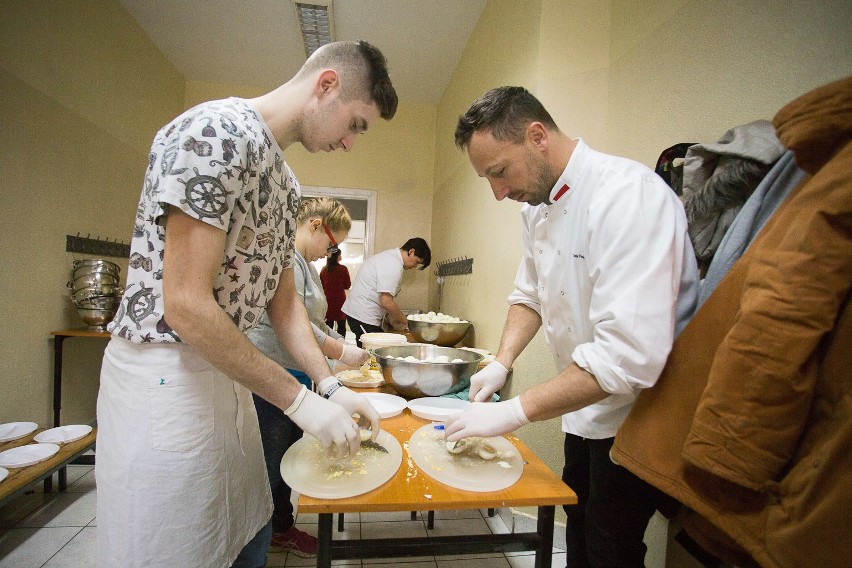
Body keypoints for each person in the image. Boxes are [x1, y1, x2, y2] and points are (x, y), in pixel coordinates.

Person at [97, 40, 397, 568]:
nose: (351, 142)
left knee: (245, 538)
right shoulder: (215, 134)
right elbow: (186, 304)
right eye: (355, 124)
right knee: (178, 550)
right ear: (326, 85)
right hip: (167, 379)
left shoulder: (283, 184)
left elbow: (284, 310)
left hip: (229, 379)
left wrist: (326, 384)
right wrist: (300, 403)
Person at [445, 86, 698, 567]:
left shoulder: (628, 196)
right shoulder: (535, 209)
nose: (498, 193)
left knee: (611, 548)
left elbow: (625, 359)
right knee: (580, 530)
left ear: (537, 136)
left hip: (639, 416)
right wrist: (501, 362)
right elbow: (529, 295)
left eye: (499, 172)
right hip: (584, 409)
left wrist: (515, 410)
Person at [248, 197, 370, 557]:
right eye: (332, 244)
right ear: (315, 224)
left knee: (287, 454)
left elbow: (312, 323)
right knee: (271, 463)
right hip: (273, 376)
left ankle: (280, 526)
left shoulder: (307, 266)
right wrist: (341, 352)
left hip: (297, 374)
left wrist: (332, 362)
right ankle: (270, 533)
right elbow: (289, 321)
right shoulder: (286, 259)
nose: (331, 252)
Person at [342, 237, 431, 346]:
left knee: (375, 354)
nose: (415, 266)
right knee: (373, 355)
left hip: (361, 315)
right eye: (417, 262)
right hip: (362, 316)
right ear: (411, 251)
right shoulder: (393, 264)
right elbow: (386, 302)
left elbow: (385, 300)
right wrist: (409, 323)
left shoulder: (391, 259)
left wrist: (394, 320)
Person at [320, 249, 351, 336]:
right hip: (340, 300)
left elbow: (320, 285)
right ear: (337, 256)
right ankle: (341, 345)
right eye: (340, 255)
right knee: (341, 326)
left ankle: (329, 346)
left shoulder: (324, 270)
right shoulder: (343, 269)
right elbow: (347, 285)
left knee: (328, 326)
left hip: (327, 300)